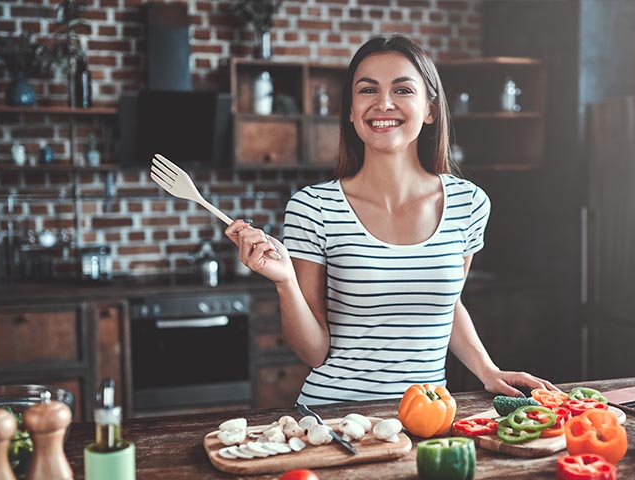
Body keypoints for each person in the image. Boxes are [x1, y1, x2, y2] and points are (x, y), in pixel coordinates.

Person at [225, 34, 556, 405]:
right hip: (337, 418)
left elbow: (447, 304)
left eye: (402, 90)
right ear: (350, 111)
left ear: (431, 109)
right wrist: (286, 282)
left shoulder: (469, 203)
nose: (383, 103)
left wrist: (487, 369)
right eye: (367, 90)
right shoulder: (313, 207)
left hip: (428, 418)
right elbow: (313, 353)